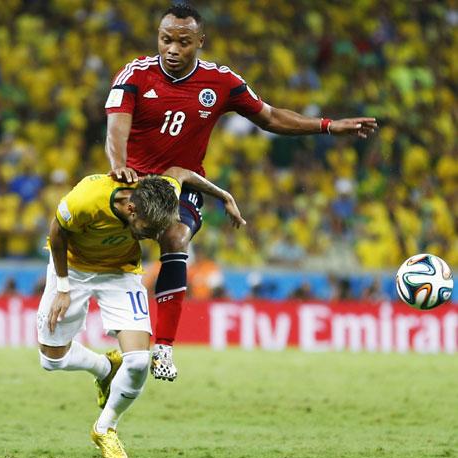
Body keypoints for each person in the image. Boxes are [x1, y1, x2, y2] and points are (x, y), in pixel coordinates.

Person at [104, 3, 378, 381]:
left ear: (200, 42)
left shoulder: (221, 82)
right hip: (133, 183)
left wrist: (328, 126)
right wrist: (119, 165)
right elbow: (116, 128)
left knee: (176, 235)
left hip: (183, 183)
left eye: (183, 42)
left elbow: (270, 116)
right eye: (166, 40)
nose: (172, 49)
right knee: (109, 248)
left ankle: (164, 347)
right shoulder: (135, 74)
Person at [36, 166, 244, 458]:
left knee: (137, 362)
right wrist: (64, 287)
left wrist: (224, 195)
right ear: (131, 207)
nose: (150, 236)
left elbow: (181, 172)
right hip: (74, 270)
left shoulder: (160, 193)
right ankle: (105, 369)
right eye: (147, 229)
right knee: (51, 360)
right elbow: (57, 233)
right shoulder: (85, 198)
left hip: (121, 274)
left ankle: (105, 429)